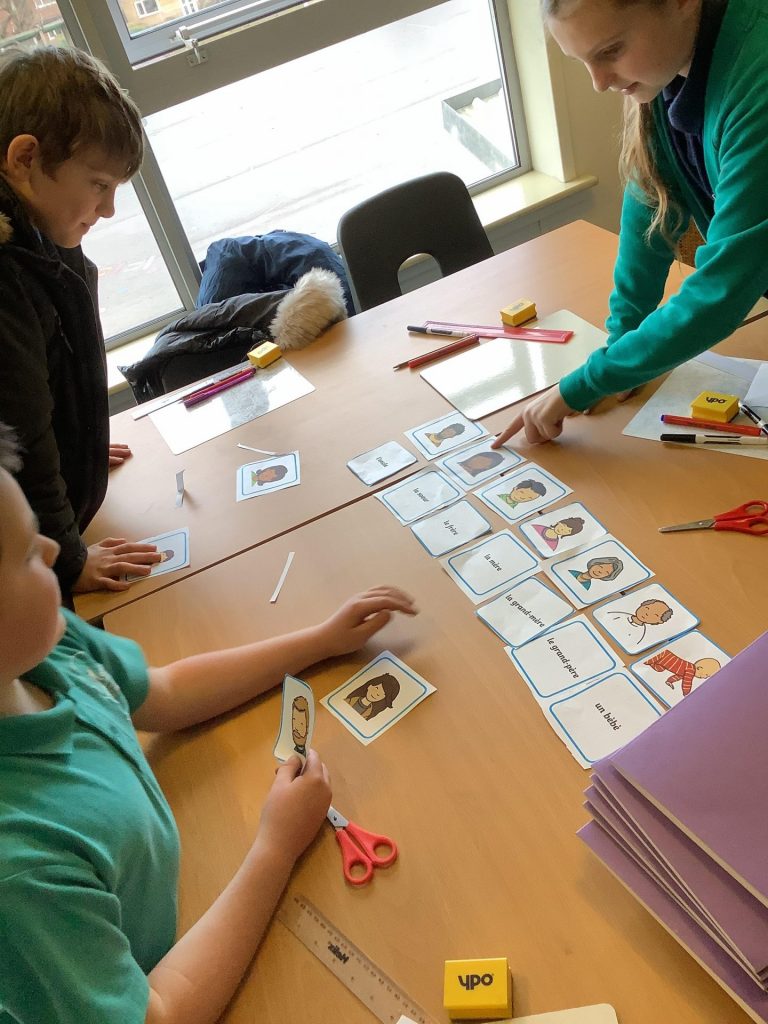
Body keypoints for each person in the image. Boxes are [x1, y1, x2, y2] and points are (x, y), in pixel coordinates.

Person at [0, 420, 418, 1023]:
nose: (54, 550)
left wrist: (320, 640)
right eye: (24, 554)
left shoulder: (48, 650)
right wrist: (275, 849)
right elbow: (160, 1014)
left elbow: (167, 692)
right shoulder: (20, 872)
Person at [493, 0, 768, 447]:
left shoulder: (758, 74)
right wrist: (622, 348)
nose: (599, 82)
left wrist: (588, 381)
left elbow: (723, 288)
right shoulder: (667, 69)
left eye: (610, 51)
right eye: (582, 61)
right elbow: (651, 207)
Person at [0, 46, 162, 598]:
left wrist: (81, 445)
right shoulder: (4, 276)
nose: (109, 209)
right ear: (25, 159)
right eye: (98, 184)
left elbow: (59, 370)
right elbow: (23, 438)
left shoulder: (39, 232)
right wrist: (69, 563)